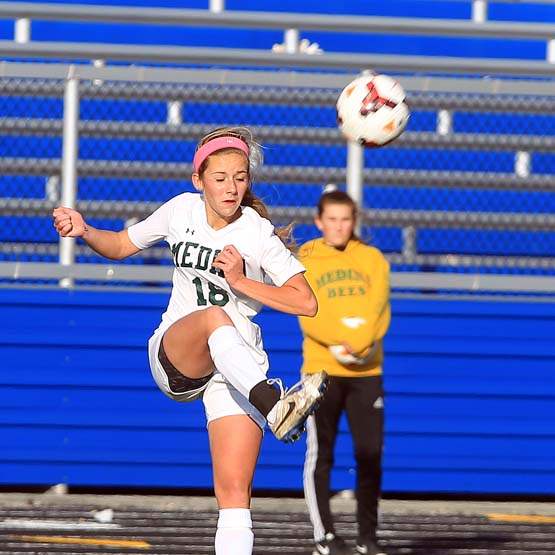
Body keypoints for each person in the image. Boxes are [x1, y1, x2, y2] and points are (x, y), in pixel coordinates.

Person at [52, 126, 327, 555]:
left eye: (240, 177)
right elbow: (123, 244)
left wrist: (241, 281)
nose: (232, 187)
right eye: (220, 178)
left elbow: (306, 303)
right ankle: (275, 407)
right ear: (198, 180)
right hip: (181, 353)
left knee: (234, 496)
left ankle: (272, 408)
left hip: (238, 367)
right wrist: (85, 230)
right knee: (215, 317)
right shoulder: (181, 210)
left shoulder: (257, 232)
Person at [298, 189, 390, 555]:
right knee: (321, 455)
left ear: (354, 221)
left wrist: (361, 343)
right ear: (319, 221)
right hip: (321, 371)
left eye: (345, 219)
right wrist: (338, 340)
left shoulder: (372, 258)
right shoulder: (306, 255)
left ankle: (368, 538)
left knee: (370, 453)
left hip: (367, 371)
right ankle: (325, 536)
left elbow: (379, 307)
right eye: (331, 219)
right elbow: (306, 309)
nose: (338, 226)